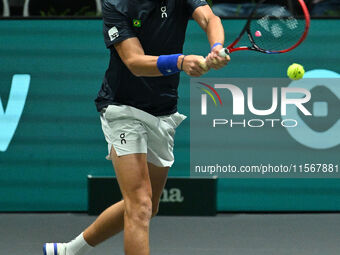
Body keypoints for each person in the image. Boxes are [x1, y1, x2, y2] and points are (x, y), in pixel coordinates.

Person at [43, 0, 230, 254]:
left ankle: (69, 250)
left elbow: (210, 19)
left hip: (163, 110)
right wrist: (180, 62)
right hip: (123, 108)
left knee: (147, 206)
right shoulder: (117, 5)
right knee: (139, 205)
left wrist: (217, 47)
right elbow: (134, 61)